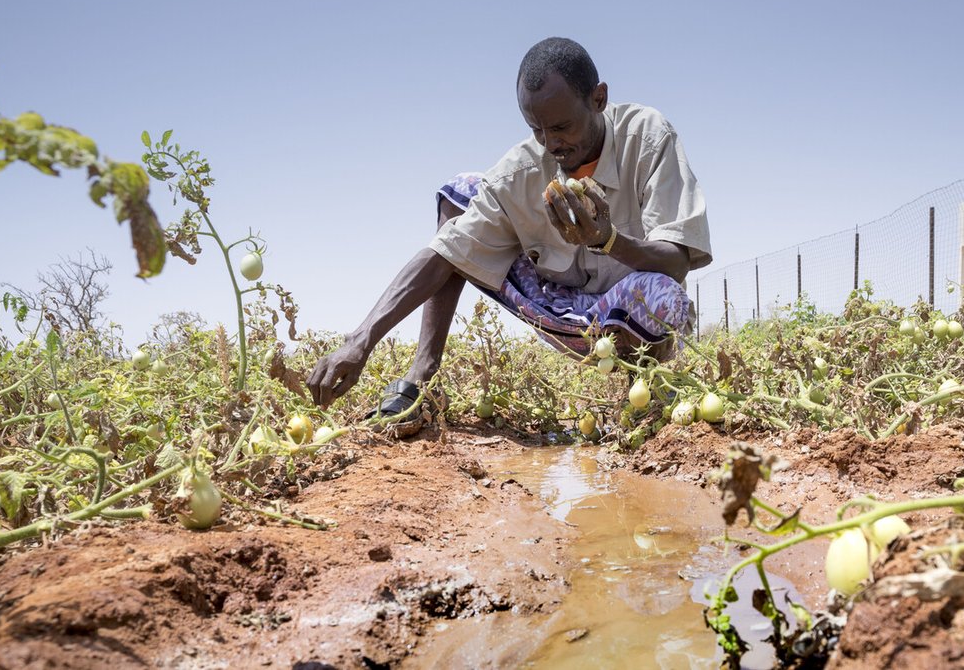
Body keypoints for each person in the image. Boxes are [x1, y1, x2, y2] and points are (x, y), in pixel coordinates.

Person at [305, 37, 712, 423]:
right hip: (553, 308)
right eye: (538, 129)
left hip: (619, 321)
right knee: (463, 192)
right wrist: (361, 339)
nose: (552, 144)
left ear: (598, 99)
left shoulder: (648, 139)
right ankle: (422, 376)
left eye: (563, 127)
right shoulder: (521, 171)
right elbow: (445, 251)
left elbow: (675, 261)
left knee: (665, 296)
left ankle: (643, 391)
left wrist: (607, 240)